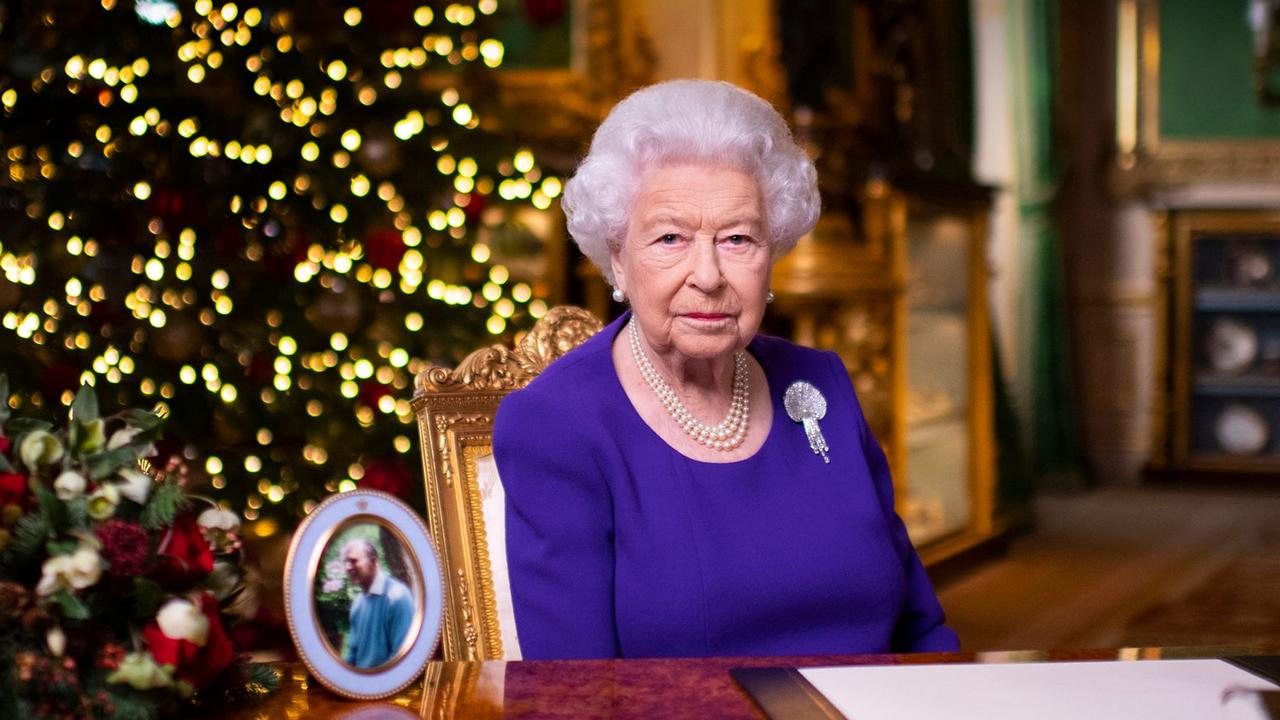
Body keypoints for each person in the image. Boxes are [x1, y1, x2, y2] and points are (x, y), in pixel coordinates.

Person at [493, 79, 959, 659]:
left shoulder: (823, 385)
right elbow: (577, 695)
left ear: (772, 254)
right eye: (670, 238)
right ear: (618, 256)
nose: (708, 275)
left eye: (738, 238)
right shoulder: (557, 425)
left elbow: (921, 629)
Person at [341, 538, 414, 668]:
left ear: (373, 560)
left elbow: (402, 659)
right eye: (346, 562)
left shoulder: (397, 597)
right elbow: (353, 655)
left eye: (353, 561)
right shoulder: (358, 603)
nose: (348, 567)